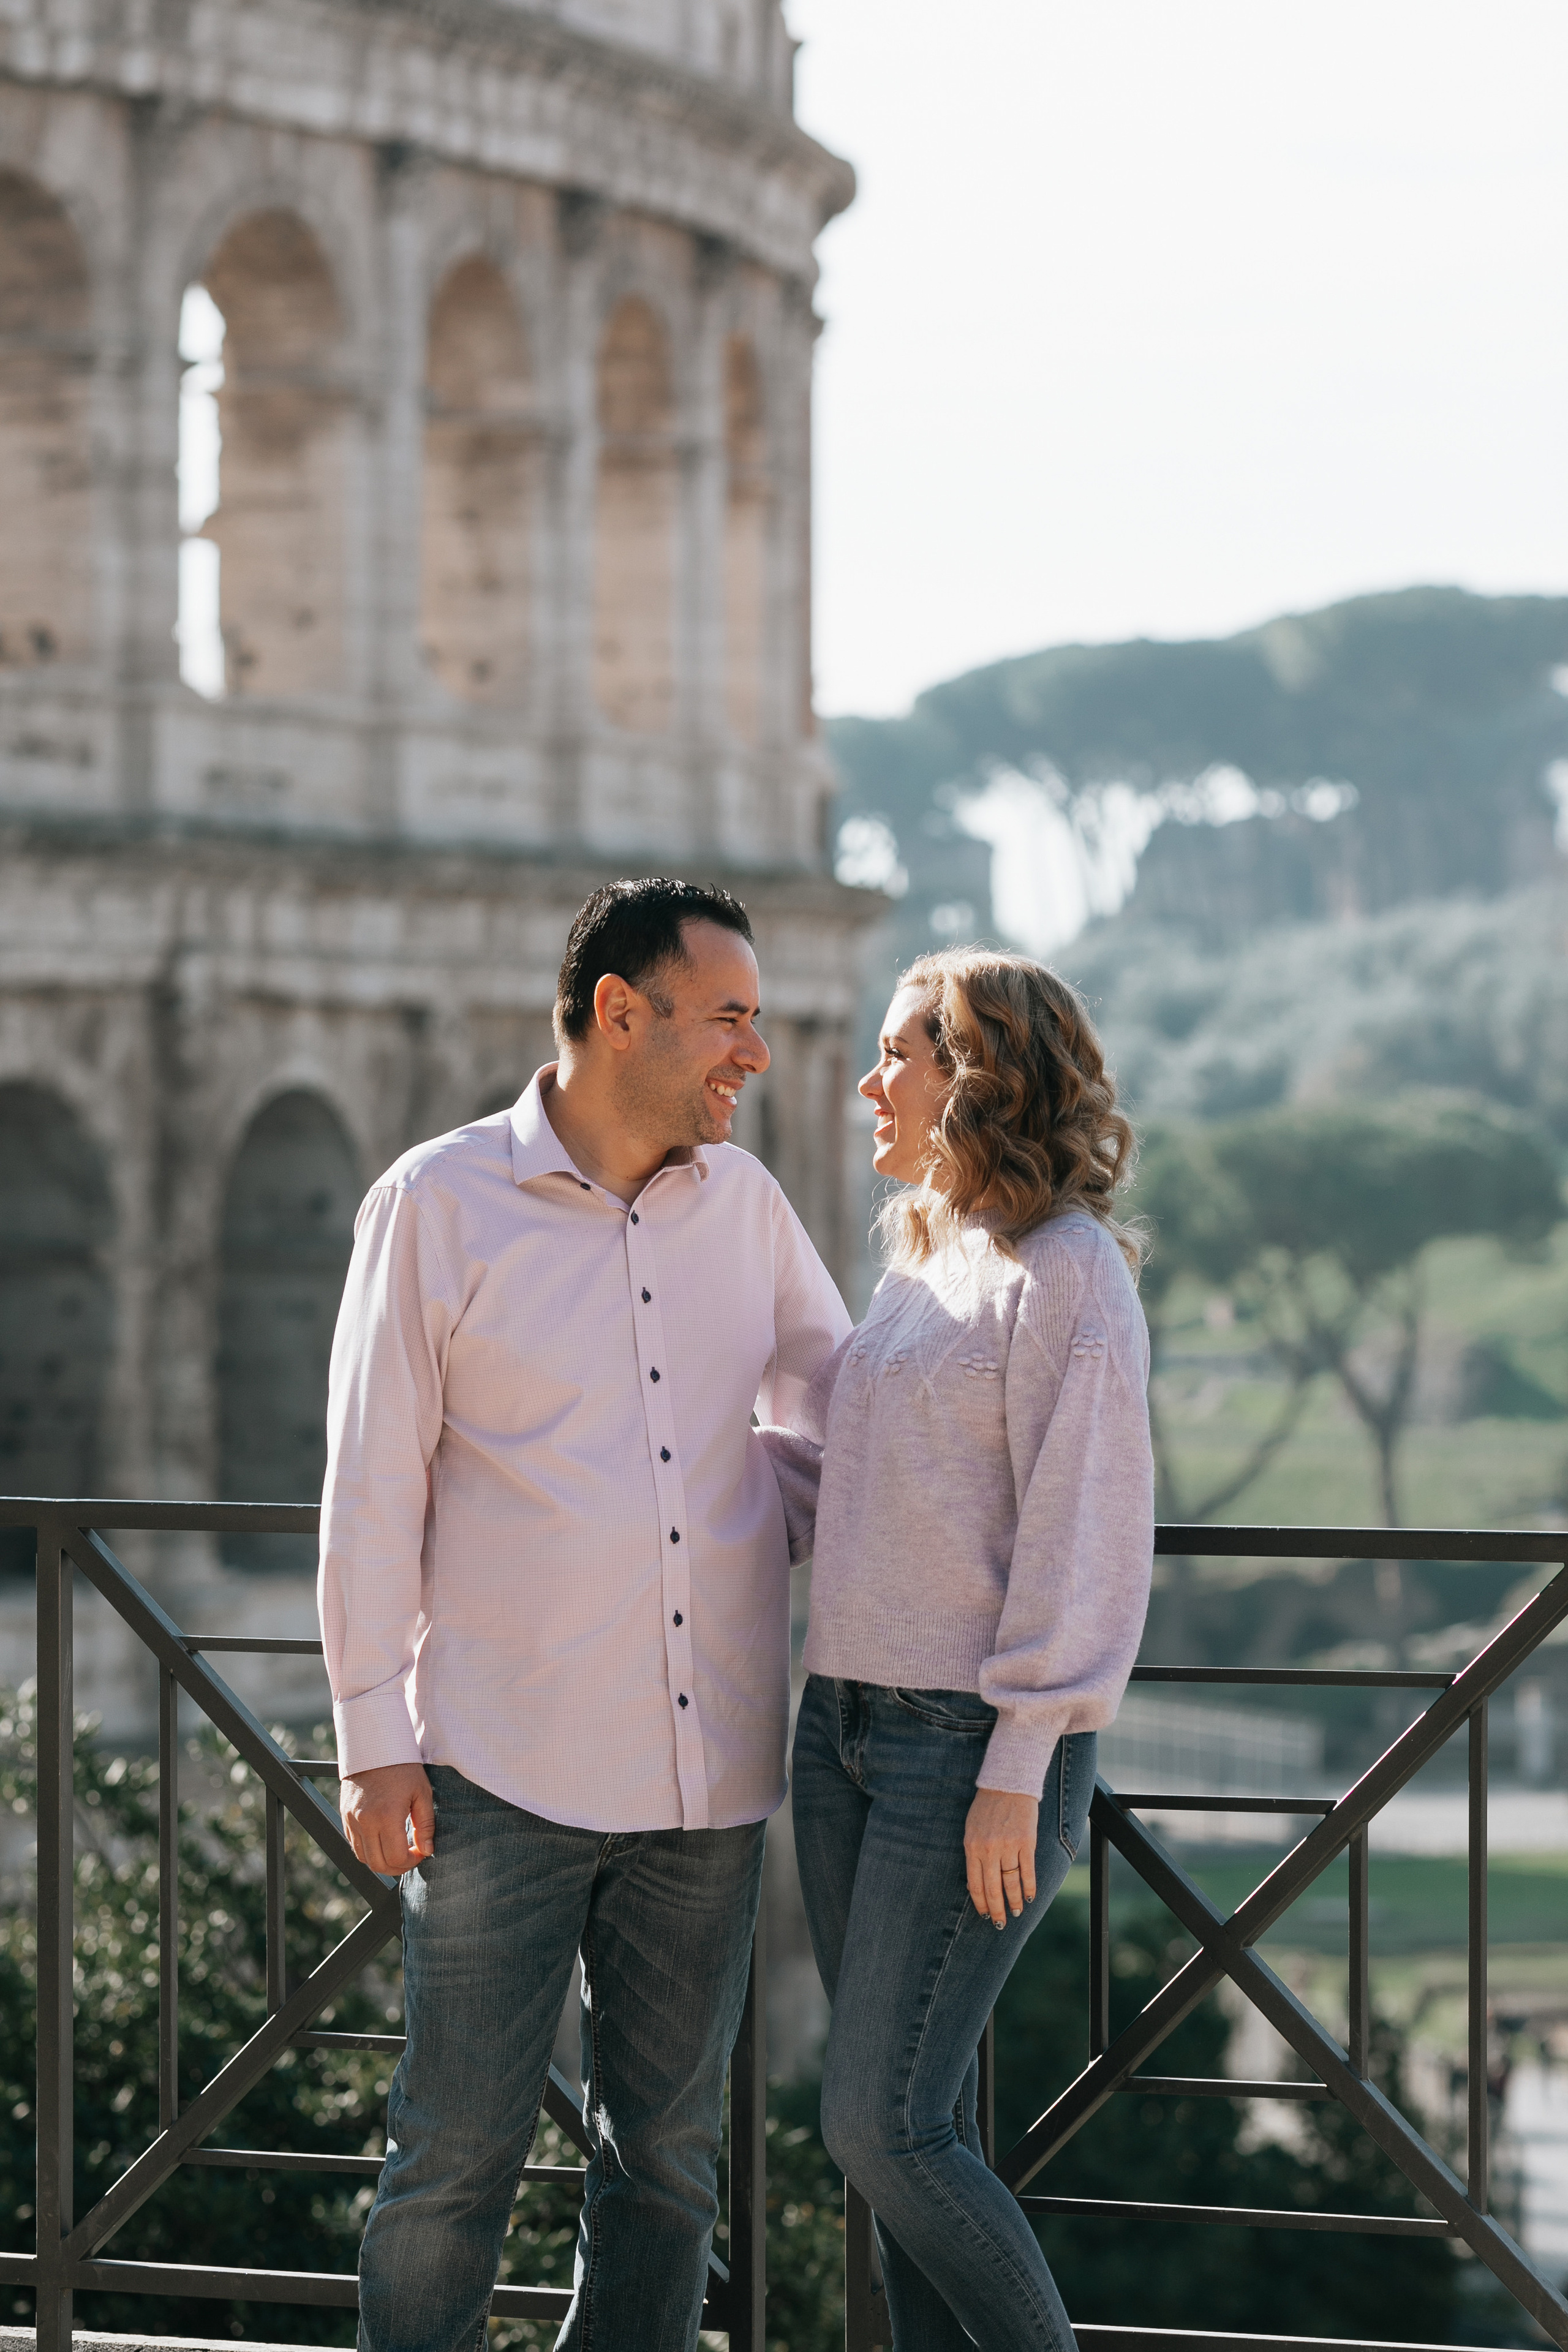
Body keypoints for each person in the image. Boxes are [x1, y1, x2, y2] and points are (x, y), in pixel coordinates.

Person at [318, 877, 851, 2352]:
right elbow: (370, 1482)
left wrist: (764, 1503)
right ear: (622, 1014)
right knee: (450, 2168)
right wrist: (371, 1737)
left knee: (666, 2171)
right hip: (500, 1767)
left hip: (706, 1782)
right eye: (730, 1018)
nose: (756, 1050)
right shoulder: (435, 1204)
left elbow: (838, 1405)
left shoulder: (745, 1206)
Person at [767, 948, 1155, 2352]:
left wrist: (1021, 1757)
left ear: (972, 1077)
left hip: (964, 1756)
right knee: (915, 2133)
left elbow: (1084, 1533)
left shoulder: (1068, 1280)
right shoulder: (923, 1263)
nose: (865, 1084)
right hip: (841, 1732)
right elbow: (848, 1485)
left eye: (895, 1056)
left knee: (879, 2126)